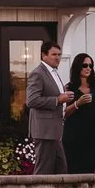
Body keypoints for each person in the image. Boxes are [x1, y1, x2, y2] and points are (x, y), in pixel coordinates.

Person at [61, 52, 95, 173]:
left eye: (90, 65)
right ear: (78, 66)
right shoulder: (68, 88)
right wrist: (77, 104)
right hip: (74, 134)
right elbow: (63, 113)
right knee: (75, 168)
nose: (88, 68)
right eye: (85, 65)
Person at [23, 41, 69, 173]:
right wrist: (57, 100)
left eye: (59, 54)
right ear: (43, 55)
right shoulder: (38, 73)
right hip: (44, 131)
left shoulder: (53, 73)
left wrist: (64, 96)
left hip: (55, 131)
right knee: (43, 170)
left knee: (61, 169)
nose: (57, 58)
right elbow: (31, 100)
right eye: (54, 54)